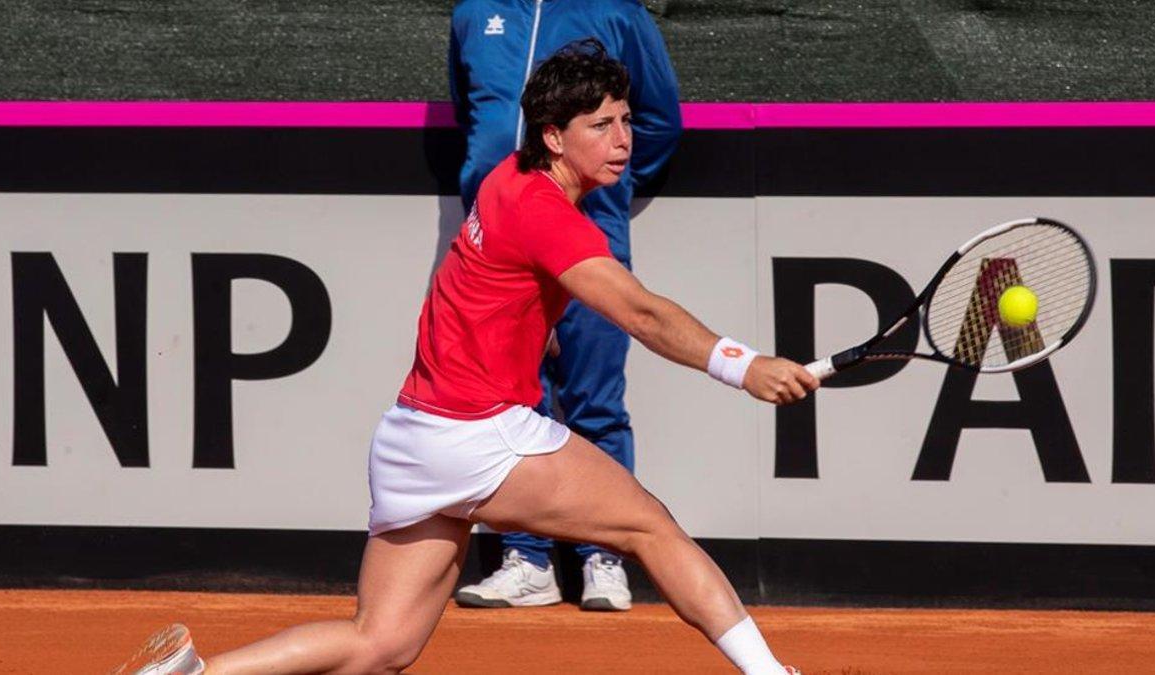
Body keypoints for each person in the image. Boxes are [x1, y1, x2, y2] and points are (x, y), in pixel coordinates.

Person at [115, 40, 811, 675]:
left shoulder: (506, 178)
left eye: (627, 121)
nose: (623, 140)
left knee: (380, 644)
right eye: (600, 125)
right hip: (477, 435)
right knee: (649, 525)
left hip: (411, 438)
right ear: (553, 136)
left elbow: (512, 299)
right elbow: (640, 312)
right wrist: (741, 364)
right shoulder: (547, 215)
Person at [448, 0, 682, 612]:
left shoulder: (618, 14)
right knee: (514, 401)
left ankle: (602, 557)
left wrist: (608, 188)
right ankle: (526, 559)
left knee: (595, 400)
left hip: (589, 244)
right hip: (501, 251)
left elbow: (659, 121)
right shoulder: (475, 12)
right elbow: (470, 113)